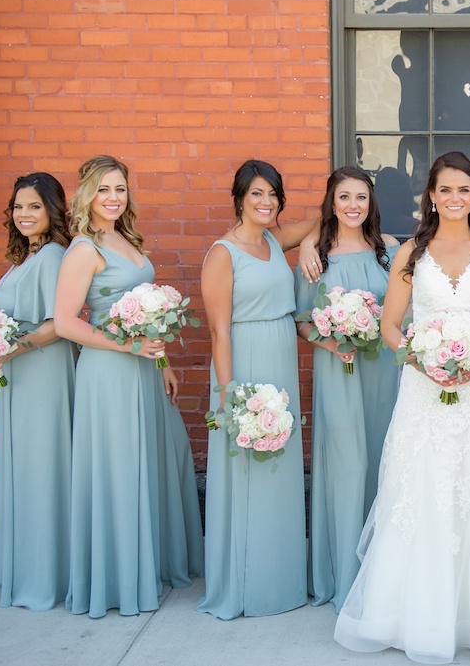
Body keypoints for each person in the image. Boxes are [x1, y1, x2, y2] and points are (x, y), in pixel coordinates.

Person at [334, 151, 470, 664]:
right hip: (423, 387)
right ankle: (416, 614)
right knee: (424, 488)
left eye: (464, 189)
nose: (454, 198)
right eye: (445, 189)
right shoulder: (411, 252)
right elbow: (391, 326)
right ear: (430, 197)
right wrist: (421, 361)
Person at [55, 155, 203, 618]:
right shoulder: (83, 250)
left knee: (156, 459)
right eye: (103, 190)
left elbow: (144, 313)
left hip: (143, 367)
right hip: (109, 372)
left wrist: (162, 363)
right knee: (120, 469)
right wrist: (129, 349)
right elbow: (64, 323)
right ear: (86, 196)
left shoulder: (125, 238)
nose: (113, 198)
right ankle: (119, 578)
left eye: (120, 188)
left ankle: (151, 562)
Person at [198, 159, 320, 619]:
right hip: (244, 363)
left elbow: (324, 218)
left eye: (272, 194)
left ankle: (282, 581)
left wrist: (307, 241)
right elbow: (218, 332)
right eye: (257, 194)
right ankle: (246, 586)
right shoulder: (222, 253)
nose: (266, 202)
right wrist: (230, 396)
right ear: (240, 198)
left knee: (279, 469)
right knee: (247, 468)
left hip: (280, 360)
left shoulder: (273, 238)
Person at [293, 167, 400, 612]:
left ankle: (385, 573)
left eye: (361, 197)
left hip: (383, 371)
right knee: (346, 464)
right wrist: (331, 341)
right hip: (338, 369)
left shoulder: (389, 250)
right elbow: (300, 319)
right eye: (344, 197)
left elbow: (406, 310)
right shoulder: (315, 256)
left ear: (370, 203)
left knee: (382, 459)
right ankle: (342, 574)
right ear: (331, 203)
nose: (353, 205)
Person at [0, 173, 76, 610]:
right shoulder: (25, 257)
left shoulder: (54, 256)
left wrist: (8, 348)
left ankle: (48, 572)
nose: (24, 214)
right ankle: (26, 564)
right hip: (18, 375)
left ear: (52, 211)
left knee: (43, 468)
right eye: (18, 206)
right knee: (25, 468)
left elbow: (57, 326)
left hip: (42, 373)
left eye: (34, 207)